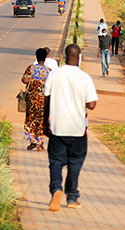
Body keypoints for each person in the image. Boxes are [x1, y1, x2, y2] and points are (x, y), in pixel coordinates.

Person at [43, 43, 97, 211]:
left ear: (65, 57)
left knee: (56, 161)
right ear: (79, 58)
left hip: (57, 127)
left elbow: (46, 99)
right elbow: (92, 104)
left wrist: (45, 122)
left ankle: (56, 190)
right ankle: (72, 197)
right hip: (78, 129)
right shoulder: (85, 77)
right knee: (75, 162)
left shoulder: (54, 75)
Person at [22, 48, 52, 151]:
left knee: (31, 119)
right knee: (42, 120)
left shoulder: (31, 68)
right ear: (46, 57)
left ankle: (33, 141)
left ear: (36, 56)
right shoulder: (48, 71)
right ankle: (40, 144)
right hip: (44, 100)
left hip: (31, 100)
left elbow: (25, 80)